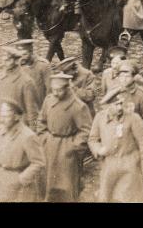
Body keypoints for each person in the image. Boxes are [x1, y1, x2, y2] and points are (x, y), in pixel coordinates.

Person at [88, 87, 143, 203]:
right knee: (107, 198)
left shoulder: (133, 118)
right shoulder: (100, 118)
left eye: (120, 103)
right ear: (107, 106)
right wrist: (98, 150)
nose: (119, 107)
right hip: (109, 168)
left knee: (129, 198)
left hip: (130, 166)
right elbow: (92, 139)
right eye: (116, 105)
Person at [36, 73, 92, 202]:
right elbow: (41, 121)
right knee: (48, 185)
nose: (56, 93)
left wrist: (72, 147)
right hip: (49, 147)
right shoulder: (49, 100)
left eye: (59, 90)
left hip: (67, 152)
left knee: (67, 187)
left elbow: (85, 131)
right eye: (53, 90)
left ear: (67, 88)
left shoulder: (77, 106)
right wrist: (44, 138)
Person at [0, 100, 45, 202]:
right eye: (1, 115)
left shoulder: (28, 136)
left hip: (18, 186)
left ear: (16, 117)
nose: (2, 120)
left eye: (6, 116)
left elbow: (38, 162)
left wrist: (21, 179)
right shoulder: (0, 130)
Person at [0, 46, 40, 129]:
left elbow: (33, 113)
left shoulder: (26, 82)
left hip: (18, 129)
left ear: (16, 61)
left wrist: (34, 132)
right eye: (3, 59)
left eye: (8, 60)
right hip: (0, 128)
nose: (4, 62)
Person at [116, 60, 143, 148]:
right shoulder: (116, 92)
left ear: (133, 77)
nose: (124, 79)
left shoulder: (142, 96)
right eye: (121, 76)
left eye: (127, 76)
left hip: (137, 140)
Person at [14, 39, 51, 105]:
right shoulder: (18, 65)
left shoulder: (43, 65)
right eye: (19, 55)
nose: (22, 58)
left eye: (25, 54)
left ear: (31, 52)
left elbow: (50, 89)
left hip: (40, 105)